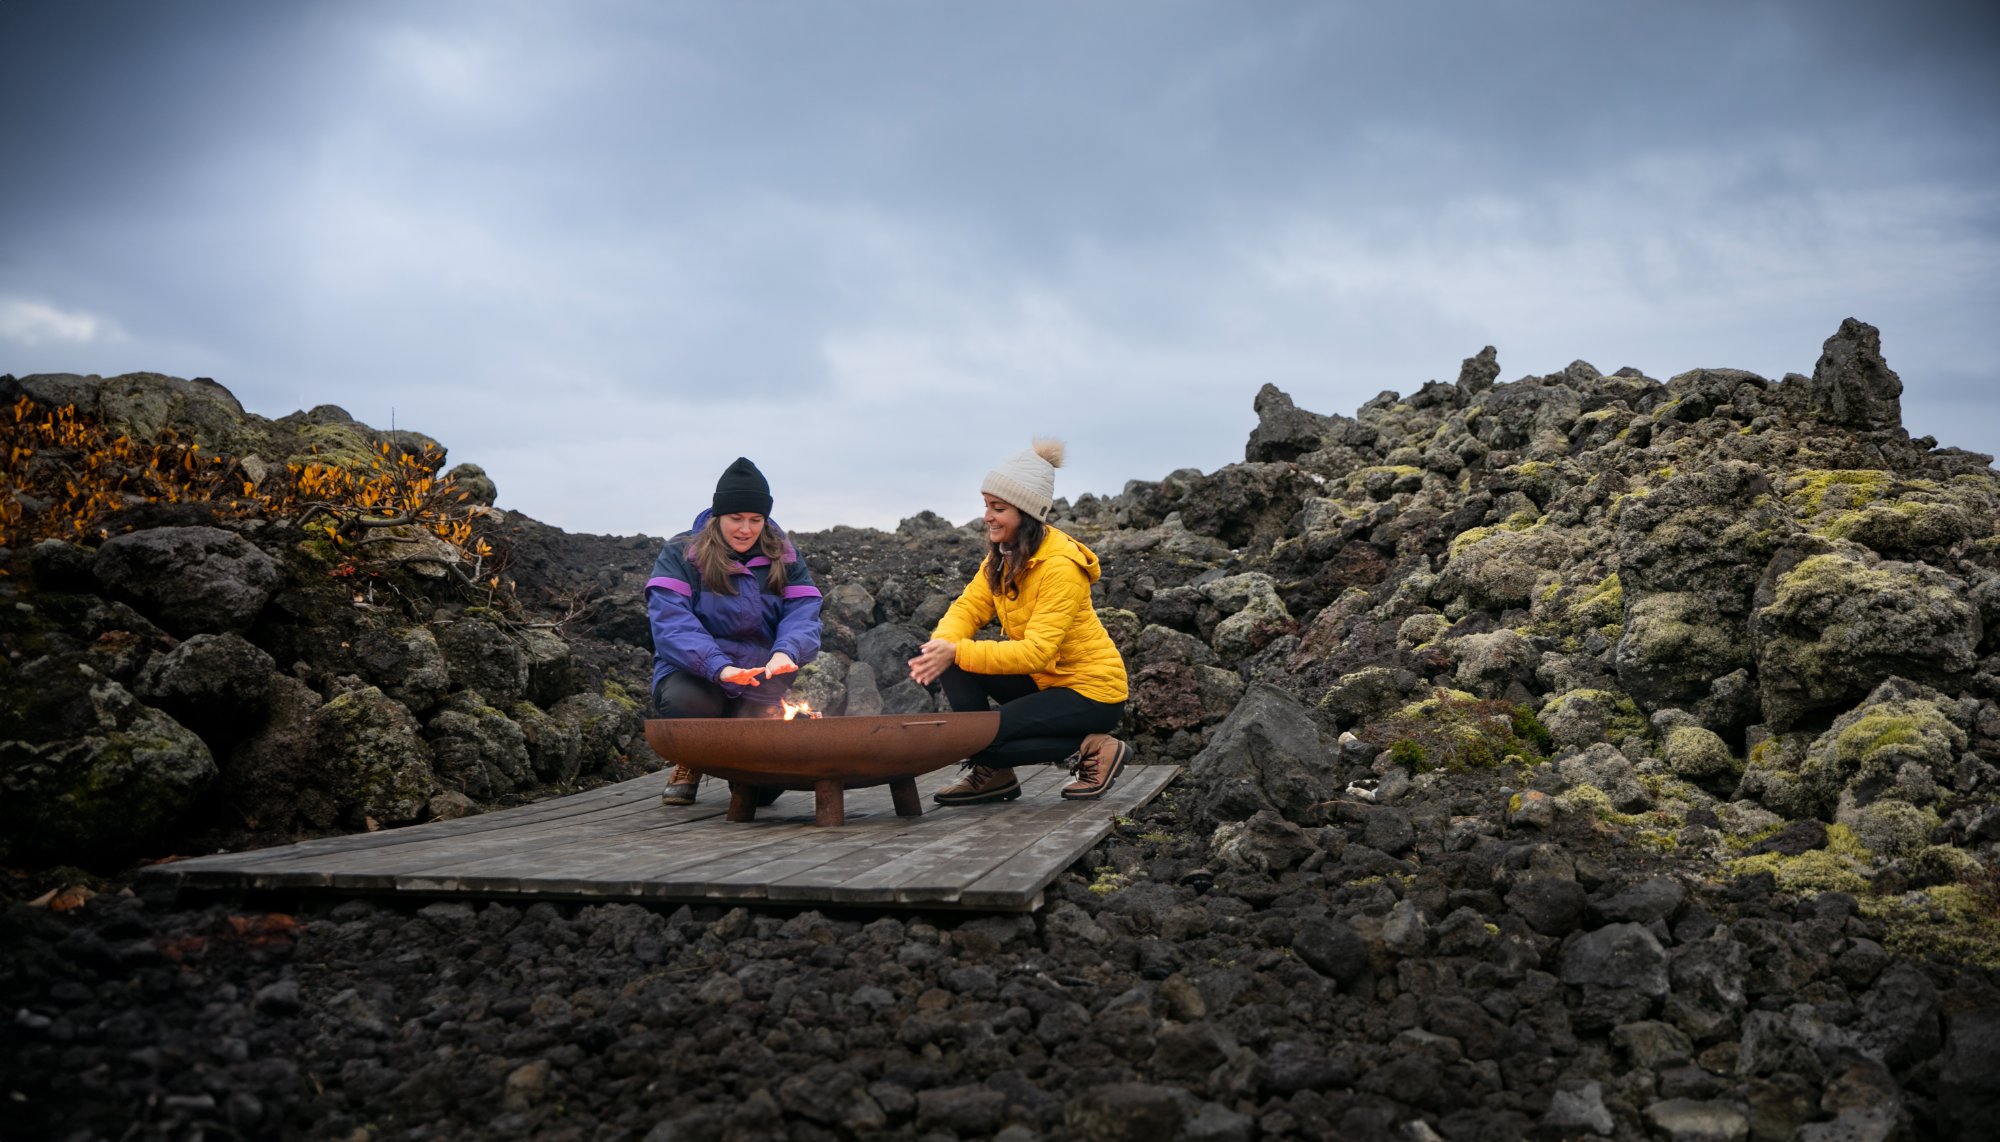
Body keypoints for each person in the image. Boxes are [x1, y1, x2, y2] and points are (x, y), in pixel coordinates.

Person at [908, 438, 1133, 803]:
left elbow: (1036, 653)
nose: (987, 517)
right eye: (986, 506)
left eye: (998, 508)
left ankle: (1093, 747)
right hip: (1046, 684)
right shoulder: (1003, 558)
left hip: (1090, 693)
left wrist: (957, 650)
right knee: (952, 667)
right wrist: (942, 646)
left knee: (980, 740)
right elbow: (967, 609)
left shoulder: (1060, 567)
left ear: (1026, 513)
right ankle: (993, 772)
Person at [645, 457, 822, 805]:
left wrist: (786, 652)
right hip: (697, 673)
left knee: (761, 795)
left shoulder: (784, 556)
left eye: (755, 519)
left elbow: (804, 612)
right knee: (688, 701)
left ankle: (739, 764)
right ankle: (691, 760)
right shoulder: (681, 553)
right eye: (736, 518)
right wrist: (720, 668)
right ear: (718, 516)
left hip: (760, 676)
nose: (745, 529)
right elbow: (670, 623)